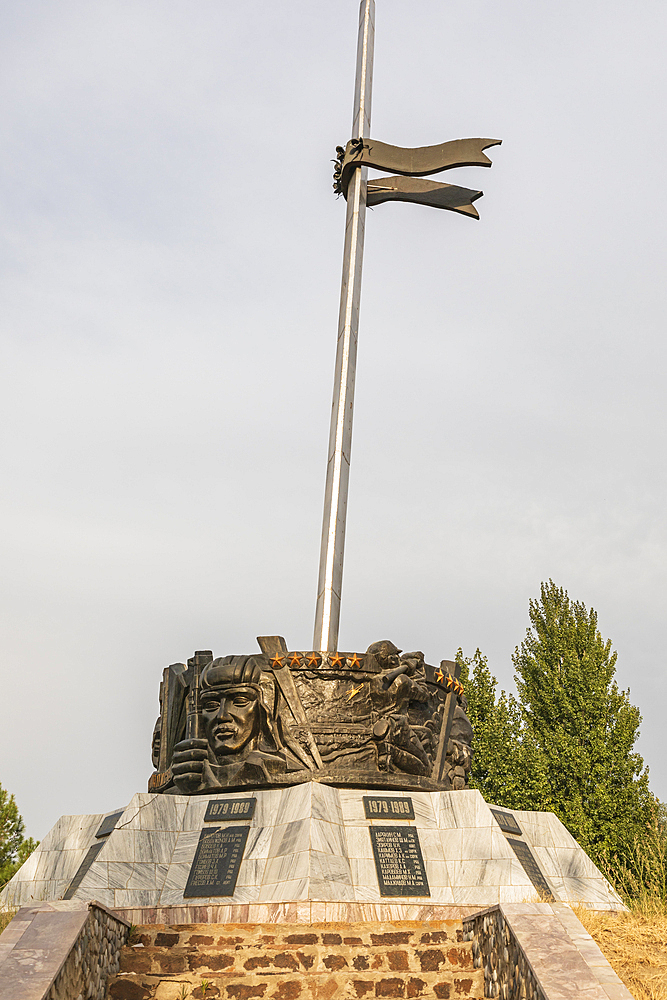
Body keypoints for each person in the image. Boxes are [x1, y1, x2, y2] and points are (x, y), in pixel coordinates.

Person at [170, 655, 304, 793]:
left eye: (239, 702)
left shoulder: (285, 771)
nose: (222, 715)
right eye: (211, 705)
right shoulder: (189, 776)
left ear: (262, 710)